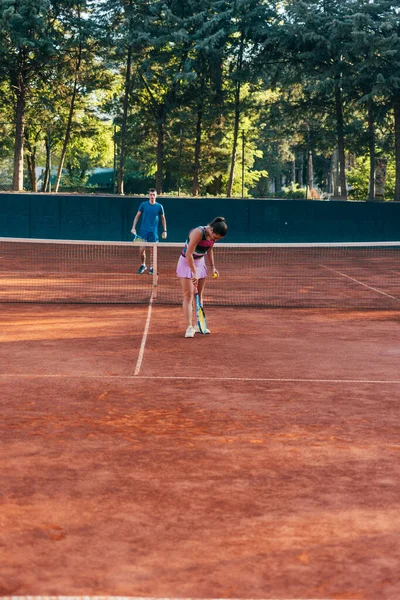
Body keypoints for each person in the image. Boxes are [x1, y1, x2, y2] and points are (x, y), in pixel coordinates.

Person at [176, 217, 228, 338]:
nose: (215, 240)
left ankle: (199, 324)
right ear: (212, 230)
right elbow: (189, 253)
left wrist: (213, 267)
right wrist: (194, 273)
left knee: (198, 295)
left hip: (200, 262)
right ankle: (189, 327)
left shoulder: (213, 236)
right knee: (188, 295)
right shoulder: (198, 232)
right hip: (186, 262)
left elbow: (209, 251)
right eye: (215, 237)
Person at [131, 189, 167, 274]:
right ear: (148, 195)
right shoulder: (143, 205)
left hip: (153, 232)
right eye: (151, 195)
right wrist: (133, 227)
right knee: (142, 249)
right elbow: (137, 216)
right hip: (143, 231)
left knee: (152, 250)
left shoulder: (159, 206)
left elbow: (163, 218)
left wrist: (165, 230)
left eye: (153, 195)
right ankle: (143, 265)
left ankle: (152, 267)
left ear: (156, 196)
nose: (152, 196)